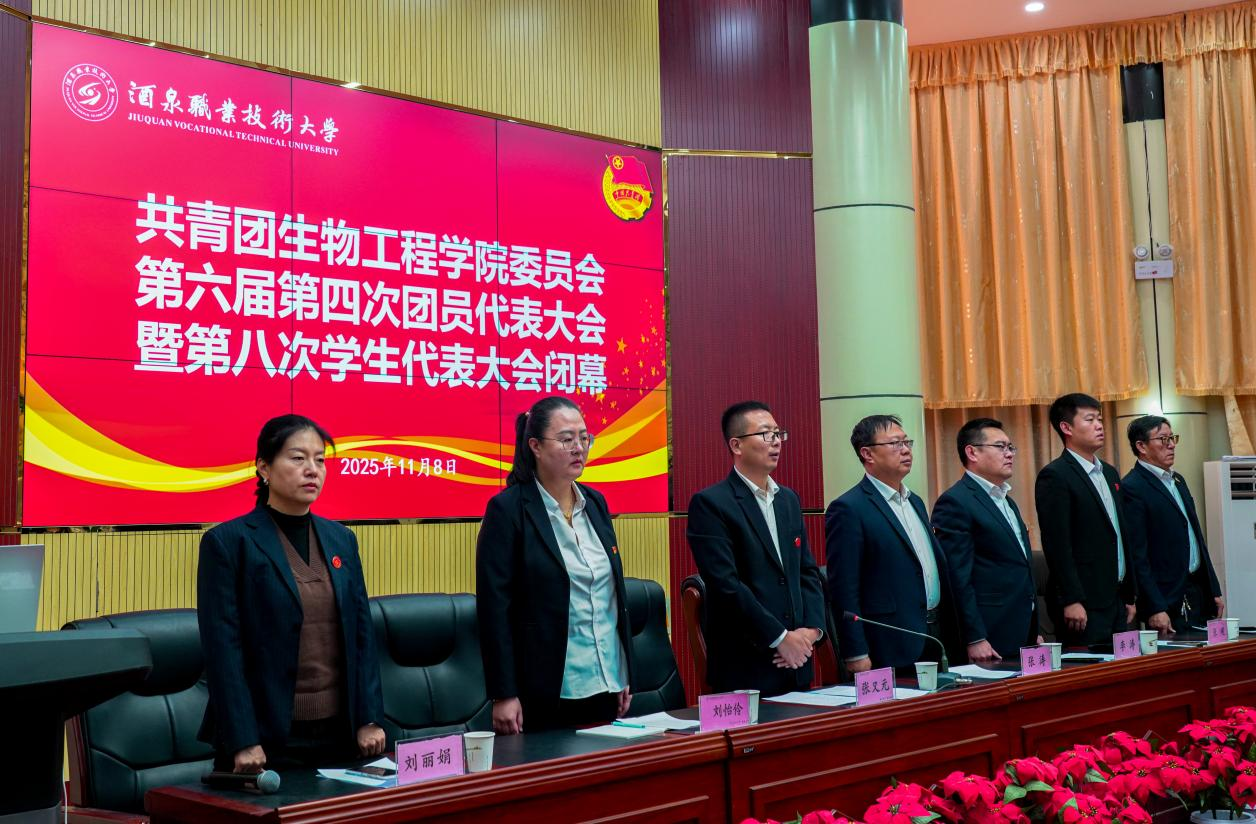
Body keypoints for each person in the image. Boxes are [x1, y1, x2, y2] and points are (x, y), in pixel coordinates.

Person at [197, 414, 385, 773]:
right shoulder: (229, 543)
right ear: (264, 468)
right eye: (298, 458)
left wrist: (369, 717)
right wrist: (242, 739)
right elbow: (223, 651)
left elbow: (362, 636)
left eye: (320, 460)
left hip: (340, 736)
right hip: (266, 741)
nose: (312, 470)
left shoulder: (341, 540)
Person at [476, 396, 633, 734]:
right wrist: (504, 693)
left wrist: (622, 671)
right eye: (566, 439)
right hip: (546, 688)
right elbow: (494, 608)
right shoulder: (508, 510)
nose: (579, 448)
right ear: (535, 446)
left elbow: (610, 596)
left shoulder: (595, 503)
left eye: (584, 438)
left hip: (607, 681)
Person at [685, 401, 826, 695]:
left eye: (778, 434)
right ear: (736, 445)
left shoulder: (788, 500)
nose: (776, 442)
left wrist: (810, 632)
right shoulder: (711, 504)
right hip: (747, 665)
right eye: (765, 434)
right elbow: (725, 585)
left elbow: (806, 572)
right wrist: (780, 638)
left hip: (797, 661)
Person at [826, 414, 957, 673]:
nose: (906, 450)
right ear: (867, 454)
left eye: (907, 442)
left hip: (935, 634)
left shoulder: (915, 501)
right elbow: (844, 587)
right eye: (895, 443)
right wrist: (855, 651)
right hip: (889, 643)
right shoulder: (849, 508)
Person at [932, 418, 1039, 662]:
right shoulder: (955, 502)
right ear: (972, 452)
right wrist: (975, 637)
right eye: (1000, 447)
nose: (1009, 454)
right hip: (989, 633)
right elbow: (958, 577)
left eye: (1011, 447)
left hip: (1022, 629)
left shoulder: (1006, 500)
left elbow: (1019, 565)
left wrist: (1033, 627)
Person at [1035, 393, 1136, 647]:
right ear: (1066, 428)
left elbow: (1120, 534)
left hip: (1116, 597)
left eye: (1099, 419)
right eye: (1090, 420)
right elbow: (1057, 544)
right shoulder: (1055, 475)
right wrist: (1071, 599)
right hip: (1084, 602)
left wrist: (1129, 594)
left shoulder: (1109, 473)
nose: (1099, 425)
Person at [1122, 416, 1223, 635]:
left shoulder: (1178, 480)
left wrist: (1213, 589)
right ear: (1141, 446)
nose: (1171, 445)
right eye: (1162, 439)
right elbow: (1138, 556)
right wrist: (1155, 606)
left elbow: (1196, 538)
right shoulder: (1132, 487)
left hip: (1196, 590)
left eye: (1172, 438)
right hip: (1166, 598)